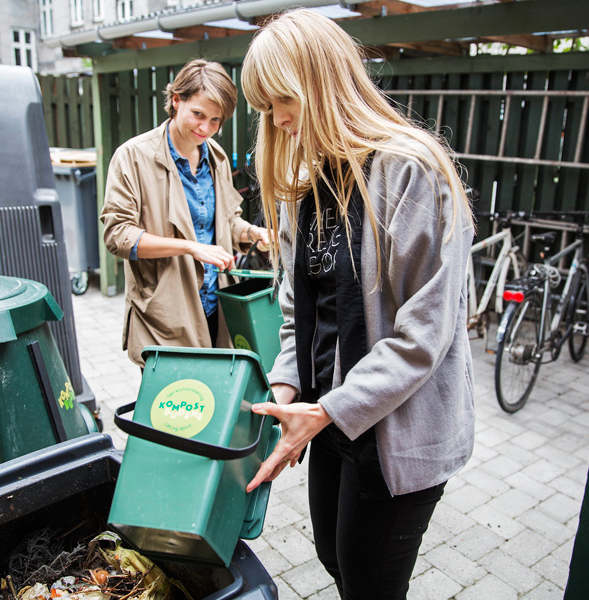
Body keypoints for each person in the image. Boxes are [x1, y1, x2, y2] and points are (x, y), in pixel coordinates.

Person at [241, 10, 476, 599]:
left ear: (322, 79)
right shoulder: (308, 181)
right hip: (331, 419)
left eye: (281, 99)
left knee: (369, 582)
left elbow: (424, 335)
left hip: (395, 434)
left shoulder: (411, 171)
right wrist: (285, 393)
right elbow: (300, 312)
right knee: (332, 555)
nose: (278, 119)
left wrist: (325, 411)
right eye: (266, 107)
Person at [100, 59, 269, 367]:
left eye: (216, 121)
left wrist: (251, 233)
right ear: (176, 100)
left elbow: (225, 221)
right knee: (175, 412)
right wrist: (189, 248)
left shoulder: (216, 158)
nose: (205, 128)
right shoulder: (132, 157)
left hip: (217, 306)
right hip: (165, 316)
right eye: (198, 114)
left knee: (215, 407)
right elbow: (117, 236)